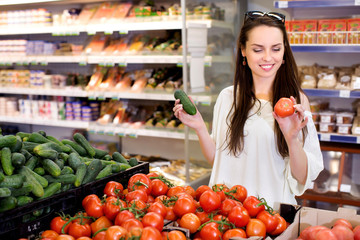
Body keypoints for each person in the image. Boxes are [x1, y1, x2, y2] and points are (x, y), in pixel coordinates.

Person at [173, 11, 324, 209]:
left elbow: (302, 176)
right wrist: (200, 128)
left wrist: (291, 138)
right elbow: (218, 161)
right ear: (243, 50)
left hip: (271, 216)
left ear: (284, 50)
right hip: (227, 213)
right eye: (258, 49)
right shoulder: (228, 98)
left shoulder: (296, 103)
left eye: (276, 49)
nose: (268, 57)